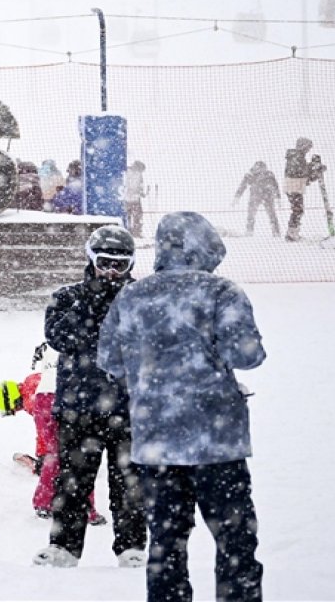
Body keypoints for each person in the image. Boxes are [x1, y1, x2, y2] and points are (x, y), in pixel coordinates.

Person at [98, 211, 266, 602]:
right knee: (234, 539)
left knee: (166, 542)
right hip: (217, 443)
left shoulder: (132, 296)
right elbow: (247, 354)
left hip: (156, 441)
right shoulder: (222, 292)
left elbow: (109, 359)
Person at [33, 225, 147, 569]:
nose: (112, 271)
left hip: (130, 408)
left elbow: (149, 343)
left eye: (120, 265)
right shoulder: (67, 297)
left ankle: (131, 547)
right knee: (72, 482)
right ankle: (64, 547)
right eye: (105, 262)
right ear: (91, 260)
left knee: (130, 484)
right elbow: (60, 336)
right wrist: (93, 299)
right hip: (79, 408)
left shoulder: (141, 299)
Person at [0, 343, 106, 525]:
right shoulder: (32, 380)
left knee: (59, 457)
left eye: (15, 408)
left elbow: (43, 432)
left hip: (62, 400)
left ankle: (44, 503)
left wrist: (43, 456)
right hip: (73, 397)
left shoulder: (32, 400)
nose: (18, 410)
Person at [234, 161, 282, 237]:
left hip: (267, 197)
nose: (261, 170)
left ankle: (276, 232)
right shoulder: (250, 175)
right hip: (256, 196)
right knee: (251, 215)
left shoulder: (269, 174)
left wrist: (278, 197)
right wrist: (237, 197)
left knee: (271, 214)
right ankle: (249, 232)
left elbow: (275, 186)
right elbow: (243, 186)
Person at [283, 137, 314, 241]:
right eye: (308, 147)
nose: (308, 150)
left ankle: (292, 232)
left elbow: (302, 173)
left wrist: (311, 168)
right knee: (298, 210)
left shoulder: (297, 157)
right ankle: (292, 233)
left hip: (295, 186)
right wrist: (312, 171)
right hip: (294, 186)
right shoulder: (297, 157)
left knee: (298, 210)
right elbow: (300, 173)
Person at [122, 161, 148, 238]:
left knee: (128, 216)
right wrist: (141, 193)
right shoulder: (136, 174)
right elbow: (139, 187)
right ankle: (136, 232)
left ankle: (129, 231)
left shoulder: (126, 171)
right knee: (137, 216)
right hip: (134, 199)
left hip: (127, 198)